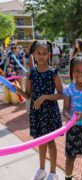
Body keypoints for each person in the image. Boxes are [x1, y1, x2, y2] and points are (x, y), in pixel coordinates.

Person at [14, 41, 64, 180]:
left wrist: (44, 97)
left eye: (44, 53)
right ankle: (42, 169)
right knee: (40, 141)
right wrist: (18, 90)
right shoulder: (31, 73)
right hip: (37, 112)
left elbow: (62, 94)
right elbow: (28, 96)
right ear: (34, 55)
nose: (41, 56)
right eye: (38, 53)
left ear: (49, 55)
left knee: (50, 142)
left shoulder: (53, 73)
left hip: (49, 112)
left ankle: (53, 172)